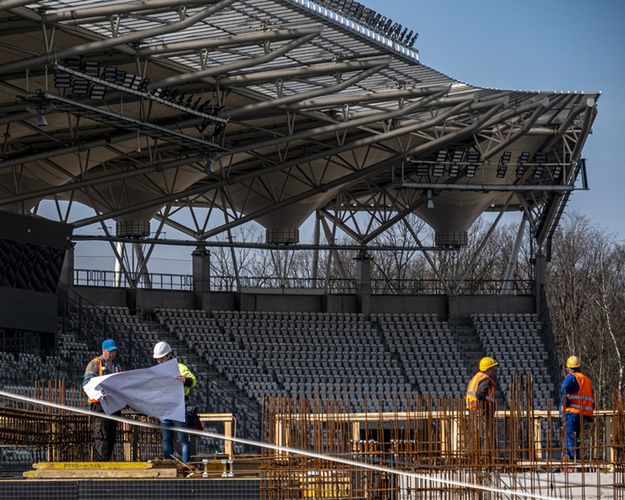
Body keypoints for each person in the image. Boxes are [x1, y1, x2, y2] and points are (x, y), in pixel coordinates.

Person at [153, 341, 197, 463]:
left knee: (183, 438)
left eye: (162, 359)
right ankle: (168, 465)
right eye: (158, 359)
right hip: (165, 407)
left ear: (168, 355)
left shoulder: (180, 368)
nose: (160, 361)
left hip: (179, 406)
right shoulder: (157, 371)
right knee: (167, 439)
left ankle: (185, 464)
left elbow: (193, 380)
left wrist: (185, 379)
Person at [83, 338, 123, 461]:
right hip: (99, 405)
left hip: (113, 405)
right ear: (103, 351)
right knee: (101, 434)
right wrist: (100, 392)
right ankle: (100, 462)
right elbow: (87, 383)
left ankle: (107, 460)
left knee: (111, 435)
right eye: (110, 351)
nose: (112, 354)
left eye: (114, 351)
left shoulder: (117, 366)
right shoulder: (95, 363)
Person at [560, 355, 595, 460]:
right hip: (583, 414)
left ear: (569, 368)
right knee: (575, 437)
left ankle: (573, 459)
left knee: (570, 436)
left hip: (572, 412)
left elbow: (564, 386)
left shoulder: (571, 377)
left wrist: (564, 399)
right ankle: (574, 457)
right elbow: (592, 397)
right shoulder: (587, 380)